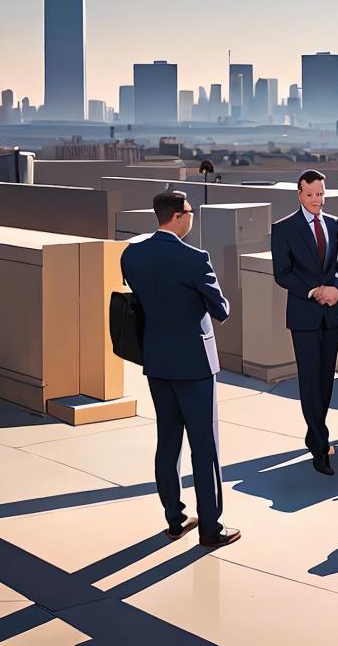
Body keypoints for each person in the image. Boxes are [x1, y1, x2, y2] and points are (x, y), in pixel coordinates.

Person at [120, 190, 238, 548]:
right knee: (204, 446)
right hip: (194, 365)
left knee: (167, 441)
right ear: (177, 217)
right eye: (189, 212)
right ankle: (211, 529)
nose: (191, 218)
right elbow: (221, 309)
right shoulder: (194, 258)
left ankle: (175, 519)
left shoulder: (132, 254)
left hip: (157, 361)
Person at [271, 170, 338, 476]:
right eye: (311, 195)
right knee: (309, 379)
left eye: (321, 194)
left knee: (325, 380)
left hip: (332, 312)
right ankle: (320, 446)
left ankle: (313, 431)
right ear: (299, 195)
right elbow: (283, 273)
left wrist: (336, 288)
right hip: (304, 315)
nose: (317, 200)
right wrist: (314, 290)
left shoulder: (335, 224)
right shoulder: (284, 229)